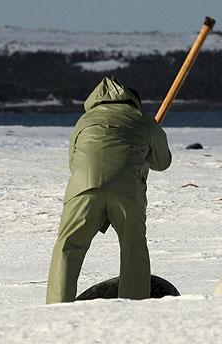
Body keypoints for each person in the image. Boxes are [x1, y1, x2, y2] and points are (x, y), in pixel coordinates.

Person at [46, 76, 172, 303]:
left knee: (68, 247)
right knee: (134, 248)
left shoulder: (84, 120)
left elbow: (74, 162)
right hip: (126, 192)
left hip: (82, 190)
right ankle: (133, 305)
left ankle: (56, 307)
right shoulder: (143, 120)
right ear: (134, 101)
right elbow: (163, 162)